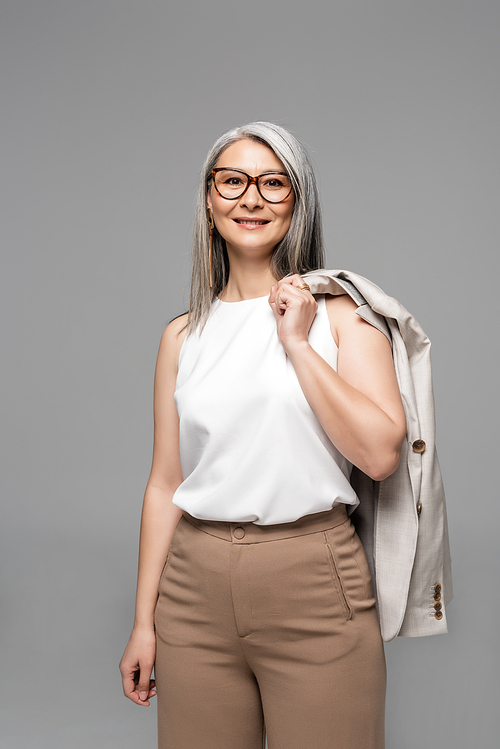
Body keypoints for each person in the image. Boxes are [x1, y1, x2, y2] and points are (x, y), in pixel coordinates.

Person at [119, 122, 408, 749]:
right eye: (233, 181)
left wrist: (296, 342)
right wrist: (144, 622)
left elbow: (382, 454)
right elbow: (165, 483)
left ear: (296, 201)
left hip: (313, 579)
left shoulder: (344, 318)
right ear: (209, 197)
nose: (251, 199)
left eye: (273, 183)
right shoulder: (182, 336)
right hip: (193, 588)